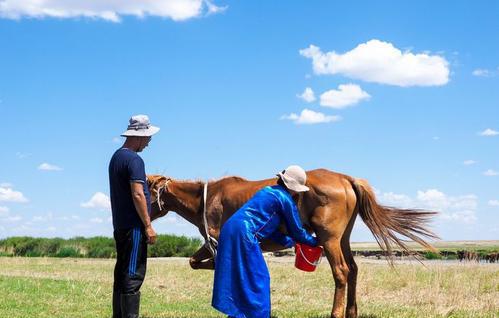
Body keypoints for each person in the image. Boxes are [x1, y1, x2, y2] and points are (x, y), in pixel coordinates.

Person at [212, 165, 320, 318]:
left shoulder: (267, 191)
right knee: (259, 278)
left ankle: (238, 314)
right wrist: (316, 241)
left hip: (230, 229)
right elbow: (297, 231)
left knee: (239, 276)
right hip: (245, 234)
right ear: (295, 188)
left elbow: (268, 227)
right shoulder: (285, 199)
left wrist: (289, 242)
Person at [109, 114, 160, 318]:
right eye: (148, 137)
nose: (149, 142)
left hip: (120, 226)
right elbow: (137, 193)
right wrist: (148, 225)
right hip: (134, 228)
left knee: (121, 273)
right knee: (132, 275)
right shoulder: (134, 160)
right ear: (138, 136)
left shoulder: (116, 157)